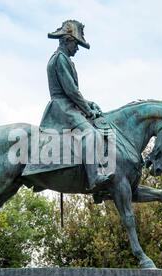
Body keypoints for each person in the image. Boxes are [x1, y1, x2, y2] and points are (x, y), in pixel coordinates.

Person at [39, 20, 114, 191]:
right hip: (62, 108)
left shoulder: (64, 59)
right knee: (91, 133)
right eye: (76, 44)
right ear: (67, 40)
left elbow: (72, 92)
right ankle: (94, 177)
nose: (77, 48)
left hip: (67, 104)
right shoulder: (59, 59)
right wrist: (87, 110)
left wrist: (89, 103)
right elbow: (71, 91)